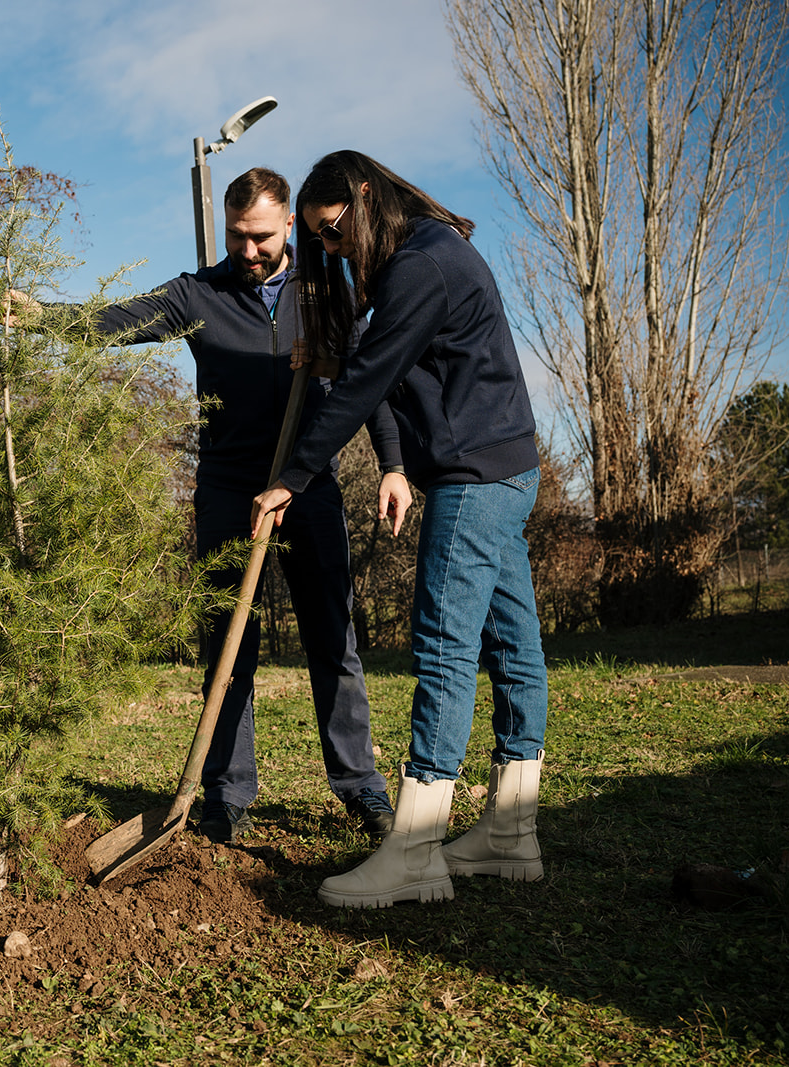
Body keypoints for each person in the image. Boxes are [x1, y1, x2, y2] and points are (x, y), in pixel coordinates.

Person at [9, 167, 412, 843]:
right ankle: (227, 791)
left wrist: (393, 463)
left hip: (308, 484)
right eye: (235, 237)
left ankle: (360, 785)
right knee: (228, 645)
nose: (247, 251)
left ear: (289, 225)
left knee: (332, 640)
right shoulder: (200, 293)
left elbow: (370, 378)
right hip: (227, 488)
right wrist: (44, 317)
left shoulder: (328, 289)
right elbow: (116, 320)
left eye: (259, 237)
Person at [252, 150, 549, 908]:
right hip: (507, 467)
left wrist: (294, 475)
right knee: (512, 643)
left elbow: (365, 382)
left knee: (444, 645)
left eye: (329, 231)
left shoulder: (422, 265)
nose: (327, 248)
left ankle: (416, 848)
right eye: (316, 239)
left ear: (359, 198)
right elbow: (376, 362)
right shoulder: (423, 253)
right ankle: (512, 832)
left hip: (473, 478)